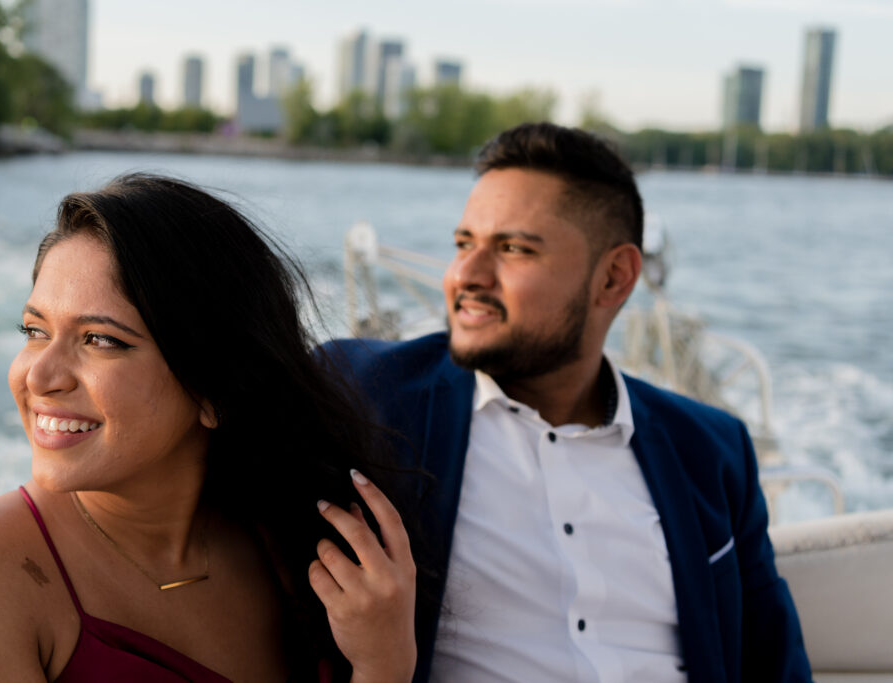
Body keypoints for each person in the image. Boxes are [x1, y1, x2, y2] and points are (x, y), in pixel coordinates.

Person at [322, 123, 811, 682]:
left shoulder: (712, 450)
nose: (465, 276)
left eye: (513, 249)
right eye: (463, 244)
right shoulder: (362, 394)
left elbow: (774, 664)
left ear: (614, 277)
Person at [0, 174, 417, 682]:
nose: (39, 376)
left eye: (99, 339)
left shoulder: (296, 548)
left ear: (214, 389)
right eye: (34, 331)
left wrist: (384, 660)